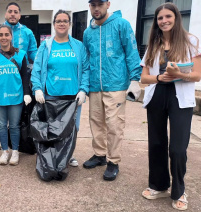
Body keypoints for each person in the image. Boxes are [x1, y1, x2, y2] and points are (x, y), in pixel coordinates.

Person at [140, 3, 201, 211]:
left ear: (176, 18)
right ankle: (159, 185)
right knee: (157, 144)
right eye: (160, 18)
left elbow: (197, 75)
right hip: (158, 95)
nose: (164, 20)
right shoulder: (154, 44)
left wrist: (179, 75)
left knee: (178, 148)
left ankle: (179, 190)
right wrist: (159, 77)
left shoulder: (190, 41)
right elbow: (144, 78)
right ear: (156, 21)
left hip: (180, 98)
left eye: (168, 16)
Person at [83, 0, 142, 181]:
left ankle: (113, 161)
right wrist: (84, 85)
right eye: (93, 5)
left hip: (116, 85)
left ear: (108, 4)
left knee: (114, 125)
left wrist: (135, 79)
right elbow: (86, 59)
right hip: (94, 86)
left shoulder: (121, 25)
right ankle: (100, 154)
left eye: (100, 4)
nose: (96, 8)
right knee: (96, 122)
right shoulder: (87, 32)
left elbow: (132, 51)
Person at [31, 10, 89, 167]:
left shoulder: (78, 46)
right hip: (51, 95)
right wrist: (37, 88)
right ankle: (53, 155)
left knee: (71, 127)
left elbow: (85, 69)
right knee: (52, 127)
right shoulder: (46, 46)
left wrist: (83, 89)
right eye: (58, 21)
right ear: (54, 24)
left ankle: (68, 155)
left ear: (69, 24)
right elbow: (37, 69)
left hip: (72, 96)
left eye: (65, 21)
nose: (62, 23)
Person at [0, 25, 32, 166]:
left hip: (16, 96)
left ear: (11, 36)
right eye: (0, 35)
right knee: (2, 125)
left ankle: (15, 151)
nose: (3, 37)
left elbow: (25, 76)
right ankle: (5, 151)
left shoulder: (21, 54)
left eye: (6, 35)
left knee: (14, 125)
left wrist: (27, 93)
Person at [0, 2, 38, 151]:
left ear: (20, 15)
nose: (12, 14)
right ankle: (3, 139)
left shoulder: (28, 32)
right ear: (5, 14)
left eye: (16, 12)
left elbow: (33, 53)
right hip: (2, 76)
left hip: (21, 76)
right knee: (2, 108)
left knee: (19, 110)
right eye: (10, 11)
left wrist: (36, 71)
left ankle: (18, 140)